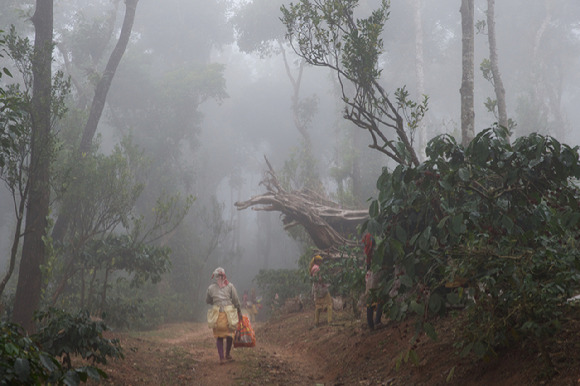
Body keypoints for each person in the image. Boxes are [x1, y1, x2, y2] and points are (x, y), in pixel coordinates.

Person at [206, 267, 242, 364]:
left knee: (219, 337)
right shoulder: (230, 286)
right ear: (224, 276)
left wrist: (216, 301)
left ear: (216, 277)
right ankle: (227, 354)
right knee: (230, 335)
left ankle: (221, 358)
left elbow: (208, 300)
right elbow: (235, 300)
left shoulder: (211, 288)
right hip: (229, 316)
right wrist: (239, 311)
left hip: (217, 316)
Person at [363, 233, 384, 331]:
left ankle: (371, 326)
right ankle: (378, 322)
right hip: (375, 277)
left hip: (368, 279)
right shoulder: (375, 252)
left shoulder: (367, 252)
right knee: (380, 298)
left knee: (369, 302)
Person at [309, 255, 333, 326]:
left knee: (318, 306)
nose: (321, 262)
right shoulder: (317, 268)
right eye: (320, 261)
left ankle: (316, 322)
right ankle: (330, 320)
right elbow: (320, 279)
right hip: (321, 288)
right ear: (316, 261)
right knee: (329, 303)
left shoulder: (312, 268)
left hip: (316, 289)